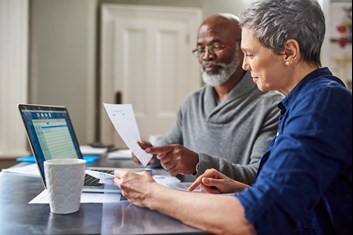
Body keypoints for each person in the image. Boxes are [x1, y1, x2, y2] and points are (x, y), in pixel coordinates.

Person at [113, 0, 352, 234]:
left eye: (249, 54)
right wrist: (242, 188)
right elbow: (295, 194)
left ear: (288, 52)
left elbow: (257, 217)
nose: (245, 65)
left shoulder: (320, 104)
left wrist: (150, 194)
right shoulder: (303, 101)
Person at [134, 13, 283, 185]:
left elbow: (260, 174)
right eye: (200, 49)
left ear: (243, 49)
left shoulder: (271, 106)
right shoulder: (192, 102)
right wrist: (150, 154)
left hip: (230, 208)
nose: (206, 56)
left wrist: (198, 163)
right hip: (182, 201)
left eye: (217, 46)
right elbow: (168, 151)